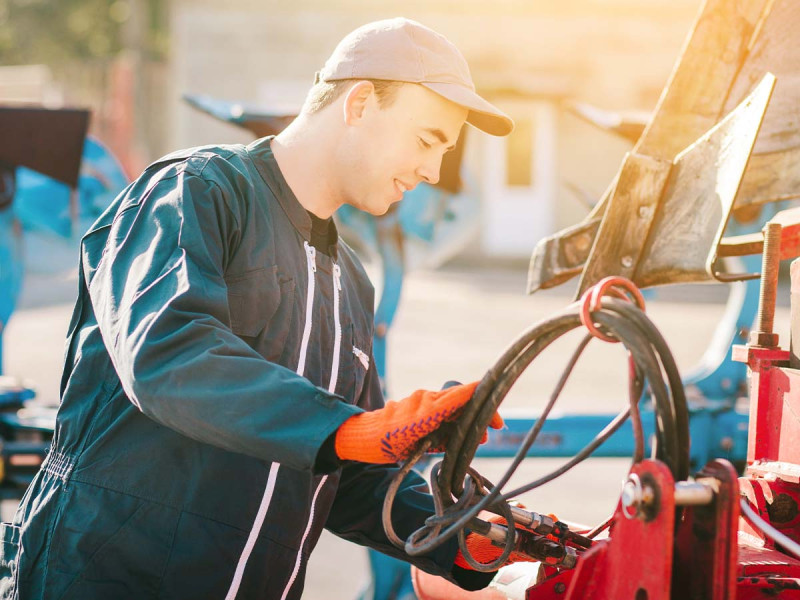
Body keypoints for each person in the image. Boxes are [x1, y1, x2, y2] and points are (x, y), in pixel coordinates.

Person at [0, 18, 518, 600]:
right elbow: (168, 353)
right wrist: (351, 427)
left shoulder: (350, 283)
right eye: (427, 141)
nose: (433, 172)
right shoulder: (195, 191)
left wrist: (470, 538)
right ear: (362, 103)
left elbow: (345, 477)